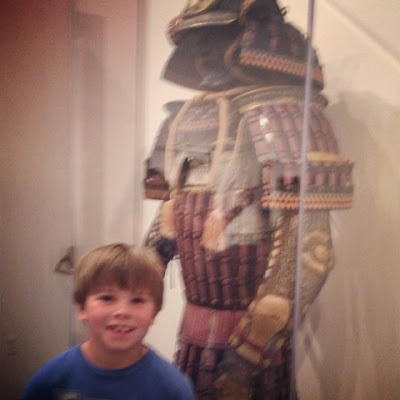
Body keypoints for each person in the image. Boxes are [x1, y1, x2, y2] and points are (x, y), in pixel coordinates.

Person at [22, 243, 195, 400]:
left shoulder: (173, 389)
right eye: (107, 298)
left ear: (154, 314)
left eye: (137, 300)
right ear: (82, 309)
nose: (122, 312)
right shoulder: (50, 381)